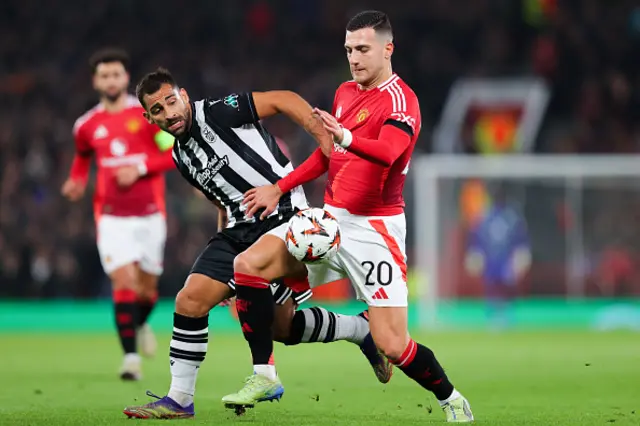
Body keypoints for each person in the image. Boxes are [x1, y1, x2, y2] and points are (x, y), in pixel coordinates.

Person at [223, 11, 474, 422]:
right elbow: (329, 156)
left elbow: (389, 152)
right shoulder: (344, 92)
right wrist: (279, 188)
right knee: (248, 267)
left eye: (362, 49)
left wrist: (344, 135)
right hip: (328, 221)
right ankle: (264, 374)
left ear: (387, 49)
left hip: (375, 230)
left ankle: (452, 400)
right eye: (348, 50)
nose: (354, 58)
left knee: (393, 344)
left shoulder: (401, 100)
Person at [122, 68, 391, 419]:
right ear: (148, 117)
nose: (168, 113)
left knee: (281, 326)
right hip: (235, 231)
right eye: (157, 110)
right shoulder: (179, 157)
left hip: (281, 218)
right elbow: (220, 198)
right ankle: (180, 399)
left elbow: (283, 100)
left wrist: (322, 136)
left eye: (171, 101)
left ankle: (358, 330)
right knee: (190, 300)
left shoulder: (219, 110)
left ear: (184, 96)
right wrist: (223, 275)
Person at [61, 48, 176, 381]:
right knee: (123, 282)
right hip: (110, 217)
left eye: (116, 74)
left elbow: (173, 155)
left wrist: (139, 167)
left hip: (151, 215)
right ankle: (130, 359)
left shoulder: (149, 115)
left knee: (147, 291)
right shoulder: (86, 125)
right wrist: (77, 181)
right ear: (96, 80)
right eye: (104, 75)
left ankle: (139, 325)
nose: (110, 80)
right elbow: (82, 158)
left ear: (127, 78)